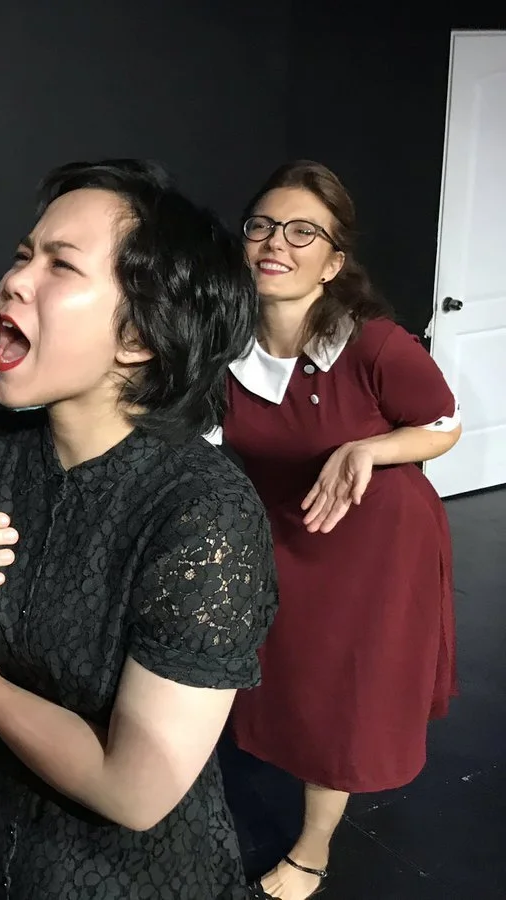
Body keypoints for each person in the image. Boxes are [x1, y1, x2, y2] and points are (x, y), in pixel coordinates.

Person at [0, 159, 280, 899]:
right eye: (23, 255)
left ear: (138, 335)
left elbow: (133, 788)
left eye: (60, 265)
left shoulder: (204, 513)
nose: (15, 280)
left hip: (126, 877)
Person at [221, 160, 461, 900]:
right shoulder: (223, 347)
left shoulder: (375, 345)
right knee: (281, 675)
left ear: (332, 263)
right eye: (263, 226)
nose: (276, 243)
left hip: (377, 543)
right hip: (283, 534)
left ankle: (313, 849)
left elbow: (444, 424)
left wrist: (370, 448)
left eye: (303, 233)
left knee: (342, 692)